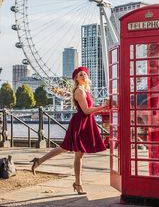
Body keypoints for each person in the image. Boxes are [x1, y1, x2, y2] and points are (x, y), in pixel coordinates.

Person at [30, 66, 109, 195]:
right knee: (70, 150)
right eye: (80, 75)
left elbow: (89, 109)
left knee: (73, 152)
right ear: (76, 79)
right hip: (80, 123)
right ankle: (77, 184)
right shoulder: (79, 91)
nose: (84, 76)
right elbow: (86, 110)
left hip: (85, 122)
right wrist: (103, 106)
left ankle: (39, 161)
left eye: (85, 74)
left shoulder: (85, 90)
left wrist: (103, 108)